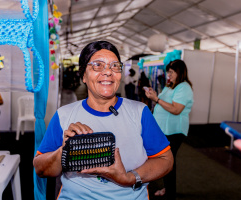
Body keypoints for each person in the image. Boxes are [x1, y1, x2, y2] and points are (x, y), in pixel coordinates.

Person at [33, 41, 174, 199]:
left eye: (115, 66)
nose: (108, 72)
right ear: (84, 75)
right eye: (97, 65)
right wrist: (64, 151)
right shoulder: (64, 115)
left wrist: (129, 178)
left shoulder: (139, 112)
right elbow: (40, 169)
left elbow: (165, 159)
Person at [144, 59, 194, 199]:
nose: (169, 75)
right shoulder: (171, 86)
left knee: (168, 162)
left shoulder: (184, 87)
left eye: (171, 72)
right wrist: (154, 95)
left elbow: (176, 109)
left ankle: (170, 193)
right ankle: (168, 189)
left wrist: (156, 99)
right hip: (165, 131)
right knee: (167, 162)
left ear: (179, 72)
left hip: (174, 131)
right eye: (168, 72)